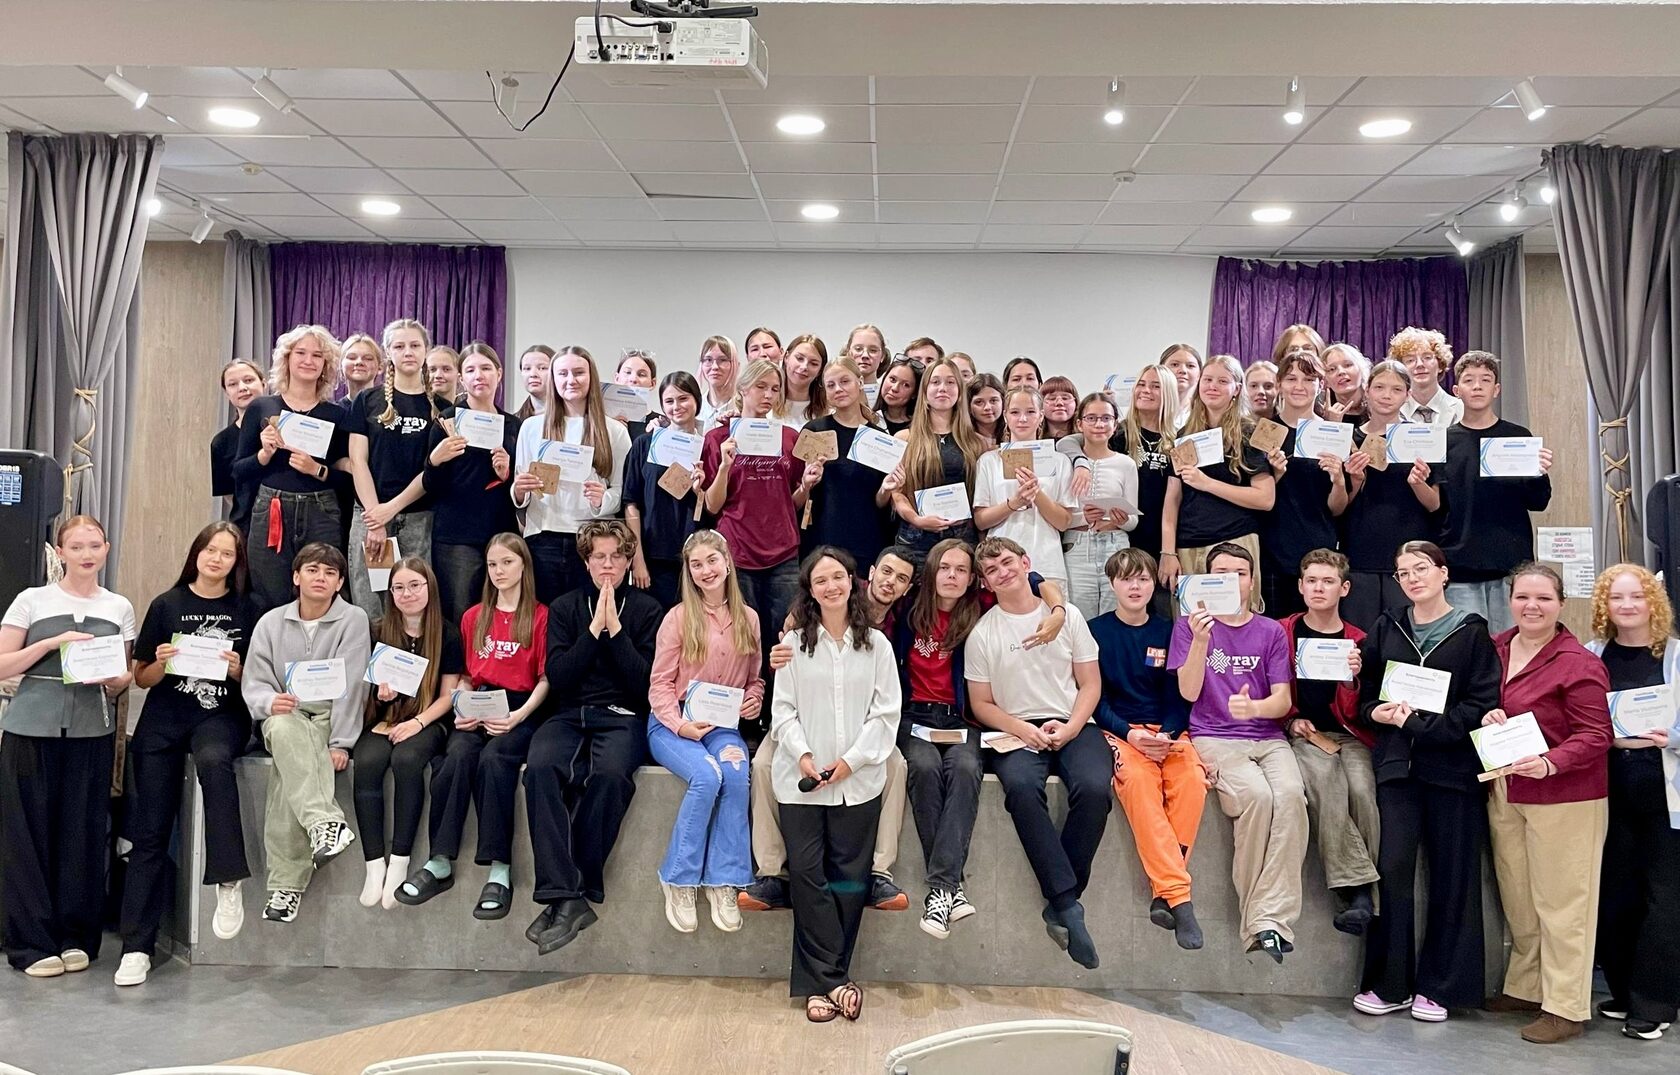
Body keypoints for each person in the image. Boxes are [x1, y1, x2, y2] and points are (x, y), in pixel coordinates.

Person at [1354, 541, 1501, 1023]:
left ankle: (1441, 988)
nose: (1413, 578)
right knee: (1393, 870)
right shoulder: (1387, 626)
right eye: (1403, 572)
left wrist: (1422, 726)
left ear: (1443, 573)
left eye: (1421, 568)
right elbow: (1366, 696)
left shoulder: (1472, 632)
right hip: (1398, 768)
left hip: (1452, 771)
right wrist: (1377, 712)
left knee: (1453, 878)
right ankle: (1390, 983)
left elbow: (1479, 705)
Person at [116, 523, 256, 987]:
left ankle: (228, 880)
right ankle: (136, 947)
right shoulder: (166, 604)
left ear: (237, 563)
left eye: (227, 554)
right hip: (164, 717)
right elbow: (142, 678)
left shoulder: (249, 608)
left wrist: (238, 669)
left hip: (220, 715)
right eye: (210, 550)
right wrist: (160, 661)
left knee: (214, 762)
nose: (216, 559)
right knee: (149, 834)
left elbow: (261, 679)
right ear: (196, 553)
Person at [742, 547, 919, 913]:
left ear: (908, 587)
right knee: (762, 765)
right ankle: (773, 873)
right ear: (868, 574)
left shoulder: (904, 622)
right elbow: (785, 659)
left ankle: (878, 873)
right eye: (887, 572)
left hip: (865, 722)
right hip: (805, 719)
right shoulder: (813, 609)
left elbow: (890, 700)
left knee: (896, 765)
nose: (891, 582)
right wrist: (777, 657)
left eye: (901, 578)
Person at [1481, 563, 1612, 1044]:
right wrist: (1488, 715)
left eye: (1543, 598)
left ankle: (1566, 1007)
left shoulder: (1579, 663)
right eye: (1522, 597)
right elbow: (1479, 701)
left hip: (1564, 796)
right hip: (1508, 790)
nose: (1531, 606)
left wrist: (1551, 762)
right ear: (1509, 600)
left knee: (1564, 904)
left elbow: (1597, 734)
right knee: (1520, 899)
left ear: (1560, 604)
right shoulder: (1496, 648)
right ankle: (1527, 987)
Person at [0, 517, 135, 978]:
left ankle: (77, 936)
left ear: (106, 548)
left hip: (90, 733)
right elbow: (2, 664)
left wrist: (115, 678)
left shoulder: (118, 606)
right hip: (29, 730)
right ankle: (30, 944)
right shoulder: (32, 600)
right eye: (76, 546)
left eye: (94, 545)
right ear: (60, 552)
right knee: (26, 837)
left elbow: (123, 678)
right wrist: (52, 643)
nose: (86, 554)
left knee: (83, 834)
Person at [771, 547, 901, 1022]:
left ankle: (821, 986)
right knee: (808, 878)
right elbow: (782, 711)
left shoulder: (877, 645)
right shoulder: (794, 643)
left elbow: (886, 715)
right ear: (810, 590)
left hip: (858, 781)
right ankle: (834, 980)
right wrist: (804, 756)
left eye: (838, 577)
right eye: (820, 580)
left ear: (852, 581)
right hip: (800, 780)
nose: (831, 586)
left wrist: (849, 763)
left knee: (849, 881)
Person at [966, 537, 1108, 969]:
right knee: (1023, 789)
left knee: (1095, 788)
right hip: (1016, 728)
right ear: (985, 582)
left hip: (1073, 721)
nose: (1003, 572)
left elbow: (1090, 684)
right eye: (992, 570)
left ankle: (1063, 900)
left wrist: (1071, 727)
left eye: (1008, 562)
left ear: (1026, 562)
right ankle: (1067, 904)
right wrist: (1023, 729)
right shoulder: (983, 633)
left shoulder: (1068, 616)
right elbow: (981, 704)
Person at [525, 520, 661, 950]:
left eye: (616, 556)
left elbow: (644, 686)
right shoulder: (565, 607)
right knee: (540, 769)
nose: (607, 565)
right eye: (599, 557)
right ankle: (567, 896)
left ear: (628, 561)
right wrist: (592, 631)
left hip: (623, 714)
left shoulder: (647, 609)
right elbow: (560, 677)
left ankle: (569, 895)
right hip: (569, 713)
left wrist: (615, 631)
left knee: (610, 776)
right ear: (586, 562)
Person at [402, 534, 550, 914]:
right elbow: (467, 676)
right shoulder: (474, 617)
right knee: (455, 757)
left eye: (507, 563)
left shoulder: (540, 616)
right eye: (492, 564)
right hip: (478, 703)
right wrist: (462, 704)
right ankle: (439, 861)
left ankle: (499, 869)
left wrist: (518, 716)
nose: (499, 571)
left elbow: (545, 679)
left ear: (523, 566)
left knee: (495, 761)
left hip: (518, 708)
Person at [1172, 541, 1304, 963]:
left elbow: (1282, 701)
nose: (1231, 581)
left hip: (1267, 735)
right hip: (1213, 734)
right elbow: (1188, 692)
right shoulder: (1188, 626)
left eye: (1240, 574)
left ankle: (1270, 920)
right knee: (1257, 798)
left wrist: (1255, 708)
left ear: (1251, 582)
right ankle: (1262, 922)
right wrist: (1200, 640)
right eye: (1221, 574)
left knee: (1292, 798)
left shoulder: (1270, 631)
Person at [241, 542, 370, 924]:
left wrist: (341, 742)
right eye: (312, 570)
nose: (321, 578)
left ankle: (285, 887)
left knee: (287, 779)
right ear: (296, 577)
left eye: (330, 573)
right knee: (283, 728)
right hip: (285, 713)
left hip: (329, 716)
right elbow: (255, 681)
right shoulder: (270, 622)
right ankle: (323, 822)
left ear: (340, 583)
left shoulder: (353, 619)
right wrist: (269, 702)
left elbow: (353, 685)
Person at [1089, 547, 1207, 950]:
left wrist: (1170, 734)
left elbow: (1180, 695)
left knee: (1192, 782)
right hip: (1120, 732)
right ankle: (1180, 899)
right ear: (1112, 584)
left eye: (1142, 578)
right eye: (1126, 579)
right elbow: (1095, 699)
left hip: (1168, 732)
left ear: (1152, 584)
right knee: (1140, 786)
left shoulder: (1169, 630)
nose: (1135, 586)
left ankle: (1164, 894)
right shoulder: (1094, 631)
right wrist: (1129, 734)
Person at [646, 530, 763, 935]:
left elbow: (755, 680)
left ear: (727, 562)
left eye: (712, 561)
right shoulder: (678, 618)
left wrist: (754, 700)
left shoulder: (749, 618)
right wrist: (681, 724)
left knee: (736, 772)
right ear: (689, 572)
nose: (705, 570)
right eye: (696, 565)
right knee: (707, 775)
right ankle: (678, 878)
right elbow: (659, 685)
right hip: (674, 724)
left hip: (723, 725)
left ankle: (723, 879)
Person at [1586, 563, 1680, 1041]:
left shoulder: (1677, 656)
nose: (1626, 605)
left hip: (1667, 797)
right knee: (1616, 896)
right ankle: (1623, 991)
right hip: (1609, 793)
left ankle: (1655, 1003)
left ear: (1653, 602)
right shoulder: (1591, 655)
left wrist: (1672, 738)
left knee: (1663, 901)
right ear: (1604, 605)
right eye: (1616, 597)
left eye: (1636, 596)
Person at [701, 360, 815, 705]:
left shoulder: (789, 438)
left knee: (784, 633)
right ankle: (744, 710)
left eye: (775, 389)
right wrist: (725, 466)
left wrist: (807, 486)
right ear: (743, 389)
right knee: (742, 636)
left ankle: (778, 709)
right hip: (737, 551)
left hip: (782, 551)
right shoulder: (718, 438)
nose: (768, 395)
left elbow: (792, 501)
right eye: (761, 387)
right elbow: (712, 505)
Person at [352, 558, 463, 911]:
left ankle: (400, 861)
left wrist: (418, 723)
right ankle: (374, 865)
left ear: (430, 587)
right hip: (384, 719)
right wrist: (381, 695)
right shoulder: (377, 631)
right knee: (367, 762)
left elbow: (448, 696)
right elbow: (365, 689)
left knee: (407, 760)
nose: (407, 594)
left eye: (415, 585)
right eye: (398, 587)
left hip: (427, 721)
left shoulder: (447, 633)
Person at [1278, 549, 1378, 935]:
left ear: (1344, 588)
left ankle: (1362, 895)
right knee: (1327, 784)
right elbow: (1268, 688)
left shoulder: (1359, 640)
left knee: (1363, 790)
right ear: (1300, 586)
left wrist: (1353, 679)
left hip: (1348, 735)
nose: (1319, 588)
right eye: (1312, 581)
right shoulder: (1282, 632)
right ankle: (1359, 894)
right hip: (1303, 733)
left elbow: (1361, 710)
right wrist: (1290, 721)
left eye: (1328, 581)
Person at [892, 539, 985, 939]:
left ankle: (941, 890)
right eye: (944, 567)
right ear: (931, 572)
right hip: (914, 715)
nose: (952, 576)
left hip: (961, 717)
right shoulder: (908, 610)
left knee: (965, 768)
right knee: (925, 767)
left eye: (961, 569)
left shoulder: (980, 610)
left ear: (972, 578)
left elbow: (1030, 579)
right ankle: (950, 888)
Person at [343, 319, 453, 619]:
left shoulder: (442, 408)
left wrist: (390, 509)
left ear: (426, 350)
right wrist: (376, 520)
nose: (408, 352)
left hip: (418, 518)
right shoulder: (367, 400)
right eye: (399, 346)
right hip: (369, 515)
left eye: (415, 345)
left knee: (413, 606)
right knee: (371, 607)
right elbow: (358, 461)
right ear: (388, 352)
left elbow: (432, 469)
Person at [236, 324, 350, 612]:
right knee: (267, 596)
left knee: (321, 593)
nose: (308, 360)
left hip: (321, 510)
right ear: (286, 358)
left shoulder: (336, 414)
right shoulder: (261, 407)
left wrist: (317, 470)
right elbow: (238, 471)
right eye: (300, 353)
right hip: (272, 509)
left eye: (317, 355)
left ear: (326, 365)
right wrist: (264, 454)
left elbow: (349, 480)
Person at [1439, 352, 1553, 634]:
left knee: (1513, 645)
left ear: (1497, 389)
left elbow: (1538, 502)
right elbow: (1437, 507)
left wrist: (1539, 471)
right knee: (1468, 646)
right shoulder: (1443, 441)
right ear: (1457, 390)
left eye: (1485, 380)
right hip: (1460, 566)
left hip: (1510, 565)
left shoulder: (1518, 437)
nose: (1477, 386)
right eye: (1469, 380)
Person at [512, 345, 631, 603]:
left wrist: (602, 499)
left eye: (578, 373)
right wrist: (519, 491)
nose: (570, 380)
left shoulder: (615, 431)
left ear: (591, 377)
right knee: (546, 616)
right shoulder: (531, 427)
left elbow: (624, 491)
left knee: (589, 616)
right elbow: (520, 487)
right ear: (553, 379)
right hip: (543, 538)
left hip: (594, 540)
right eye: (562, 373)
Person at [1159, 355, 1274, 608]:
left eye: (1223, 381)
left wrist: (1207, 483)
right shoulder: (1185, 435)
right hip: (1189, 546)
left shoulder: (1249, 433)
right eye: (1208, 379)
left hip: (1235, 543)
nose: (1213, 386)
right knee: (1192, 624)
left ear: (1237, 389)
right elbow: (1172, 500)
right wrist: (1168, 551)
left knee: (1235, 622)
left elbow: (1265, 498)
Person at [1340, 361, 1441, 631]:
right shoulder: (1347, 438)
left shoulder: (1422, 437)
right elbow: (1338, 507)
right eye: (1379, 388)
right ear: (1367, 390)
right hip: (1360, 554)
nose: (1387, 395)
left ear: (1408, 395)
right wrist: (1355, 480)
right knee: (1362, 637)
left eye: (1396, 389)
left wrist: (1418, 483)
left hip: (1409, 556)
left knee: (1407, 635)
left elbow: (1435, 504)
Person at [424, 342, 519, 624]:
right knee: (459, 614)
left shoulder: (514, 425)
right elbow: (430, 485)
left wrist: (507, 474)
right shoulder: (446, 422)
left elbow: (521, 490)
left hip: (500, 532)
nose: (479, 376)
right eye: (471, 370)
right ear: (461, 378)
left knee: (501, 613)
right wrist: (435, 460)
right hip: (457, 537)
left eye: (486, 368)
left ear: (499, 374)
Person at [1262, 349, 1347, 618]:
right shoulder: (1264, 431)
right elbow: (1257, 499)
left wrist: (1339, 480)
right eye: (1291, 379)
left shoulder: (1333, 433)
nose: (1299, 386)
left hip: (1319, 552)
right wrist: (1275, 475)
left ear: (1321, 385)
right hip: (1273, 553)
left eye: (1309, 379)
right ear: (1279, 384)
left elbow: (1337, 508)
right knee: (1277, 630)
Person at [974, 385, 1076, 586]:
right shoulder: (988, 461)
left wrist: (1037, 493)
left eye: (1030, 412)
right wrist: (1014, 503)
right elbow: (981, 521)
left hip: (1047, 561)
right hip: (1001, 563)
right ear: (1005, 416)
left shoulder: (1060, 461)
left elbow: (1064, 522)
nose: (1022, 419)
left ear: (1041, 416)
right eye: (1015, 412)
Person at [890, 357, 986, 571]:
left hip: (962, 541)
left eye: (950, 382)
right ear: (924, 393)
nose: (943, 388)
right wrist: (917, 519)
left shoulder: (977, 443)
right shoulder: (904, 439)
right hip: (915, 540)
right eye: (935, 382)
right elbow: (897, 494)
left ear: (960, 392)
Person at [624, 371, 707, 609]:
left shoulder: (708, 446)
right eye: (669, 401)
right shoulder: (644, 444)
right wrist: (638, 559)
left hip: (697, 555)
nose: (676, 407)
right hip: (654, 557)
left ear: (696, 400)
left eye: (683, 399)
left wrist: (699, 490)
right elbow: (631, 502)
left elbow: (714, 505)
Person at [801, 355, 890, 571]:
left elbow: (880, 502)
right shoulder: (814, 431)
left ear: (860, 382)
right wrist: (807, 483)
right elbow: (799, 496)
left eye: (844, 381)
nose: (838, 389)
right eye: (831, 385)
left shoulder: (879, 438)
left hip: (867, 540)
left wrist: (887, 488)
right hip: (822, 540)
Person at [1060, 392, 1137, 617]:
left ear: (1115, 424)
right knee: (1079, 617)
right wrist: (1083, 517)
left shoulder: (1126, 464)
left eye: (1106, 418)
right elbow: (1058, 517)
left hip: (1116, 544)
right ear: (1079, 424)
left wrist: (1122, 520)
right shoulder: (1064, 461)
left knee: (1115, 615)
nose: (1099, 424)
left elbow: (1133, 521)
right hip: (1077, 546)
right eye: (1091, 418)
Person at [209, 358, 267, 535]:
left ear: (264, 384)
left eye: (248, 380)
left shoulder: (283, 425)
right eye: (233, 384)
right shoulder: (221, 442)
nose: (242, 388)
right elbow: (229, 494)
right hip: (247, 527)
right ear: (227, 394)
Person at [1390, 326, 1463, 427]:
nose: (1419, 364)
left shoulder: (1462, 410)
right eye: (1410, 360)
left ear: (1440, 364)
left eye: (1427, 357)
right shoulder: (1391, 410)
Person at [778, 333, 829, 429]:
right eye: (799, 358)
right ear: (786, 357)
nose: (804, 367)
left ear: (820, 371)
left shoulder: (830, 413)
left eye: (813, 363)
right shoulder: (766, 404)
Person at [1320, 343, 1370, 424]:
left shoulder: (1379, 405)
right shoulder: (1319, 412)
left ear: (1361, 369)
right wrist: (1329, 424)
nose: (1341, 372)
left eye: (1348, 365)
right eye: (1332, 369)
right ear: (1325, 381)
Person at [695, 335, 739, 427]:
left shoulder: (744, 407)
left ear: (735, 364)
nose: (715, 367)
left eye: (722, 360)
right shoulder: (695, 409)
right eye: (708, 360)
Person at [1159, 343, 1203, 429]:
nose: (1183, 370)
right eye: (1175, 365)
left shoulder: (1206, 412)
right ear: (1161, 370)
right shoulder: (1149, 408)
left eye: (1190, 366)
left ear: (1199, 374)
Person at [877, 357, 920, 435]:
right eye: (892, 379)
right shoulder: (869, 419)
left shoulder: (919, 428)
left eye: (906, 385)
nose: (895, 388)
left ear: (914, 393)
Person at [513, 344, 554, 423]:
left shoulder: (571, 416)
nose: (533, 374)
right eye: (527, 368)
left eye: (542, 368)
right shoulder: (514, 422)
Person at [965, 372, 1005, 448]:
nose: (987, 407)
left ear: (1003, 401)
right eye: (979, 402)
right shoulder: (961, 439)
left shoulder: (1013, 435)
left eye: (993, 400)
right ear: (968, 405)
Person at [339, 333, 384, 401]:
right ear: (341, 366)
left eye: (368, 358)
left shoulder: (391, 405)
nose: (359, 362)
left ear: (380, 367)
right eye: (351, 358)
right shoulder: (333, 408)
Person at [844, 324, 888, 388]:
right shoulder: (836, 392)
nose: (865, 355)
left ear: (882, 356)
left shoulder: (887, 393)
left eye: (873, 350)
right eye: (858, 349)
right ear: (848, 353)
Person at [1039, 375, 1080, 441]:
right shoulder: (1032, 440)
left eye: (1065, 398)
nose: (1059, 403)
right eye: (1052, 398)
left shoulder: (1086, 440)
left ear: (1076, 403)